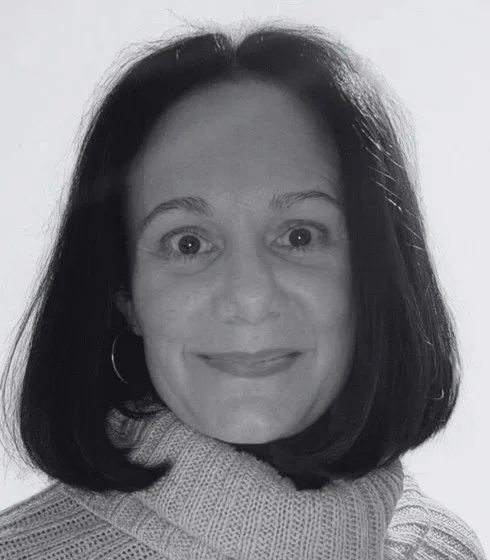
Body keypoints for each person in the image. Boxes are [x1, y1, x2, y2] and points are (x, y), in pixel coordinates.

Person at [0, 21, 486, 560]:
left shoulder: (445, 549)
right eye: (188, 243)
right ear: (125, 293)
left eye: (300, 236)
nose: (250, 296)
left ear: (373, 277)